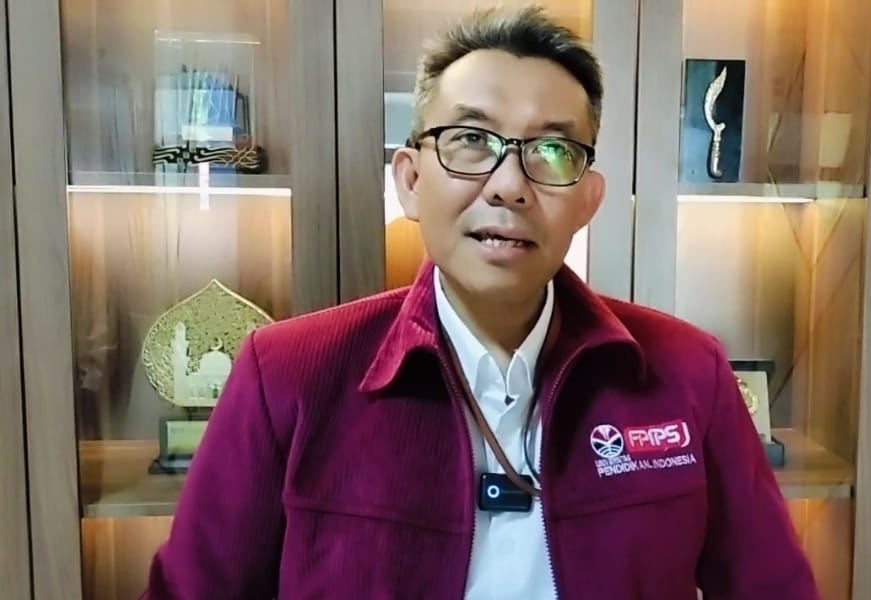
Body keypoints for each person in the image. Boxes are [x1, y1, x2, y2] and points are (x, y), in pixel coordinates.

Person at [142, 6, 818, 599]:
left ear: (588, 200)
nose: (509, 185)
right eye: (471, 140)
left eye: (552, 149)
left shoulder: (687, 373)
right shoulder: (286, 375)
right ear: (410, 181)